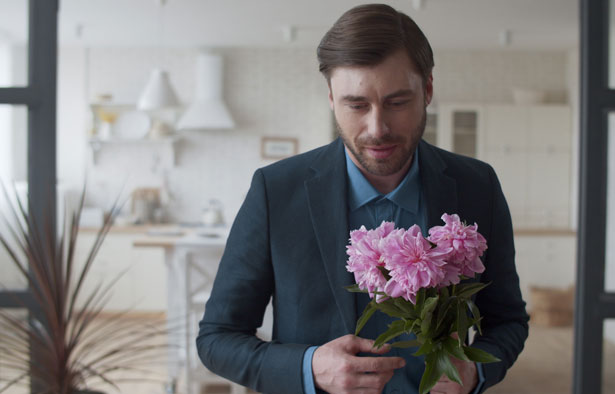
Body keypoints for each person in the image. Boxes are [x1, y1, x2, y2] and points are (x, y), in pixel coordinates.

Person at [197, 4, 528, 394]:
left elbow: (508, 321)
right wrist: (308, 368)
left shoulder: (478, 184)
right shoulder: (275, 190)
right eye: (356, 105)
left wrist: (474, 373)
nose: (377, 128)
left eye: (397, 102)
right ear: (331, 97)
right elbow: (217, 338)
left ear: (428, 91)